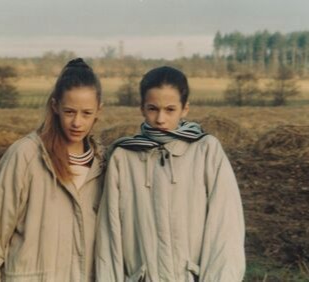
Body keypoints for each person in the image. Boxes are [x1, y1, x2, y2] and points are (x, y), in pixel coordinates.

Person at [0, 58, 105, 281]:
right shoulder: (25, 156)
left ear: (98, 111)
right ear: (55, 106)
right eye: (69, 112)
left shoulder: (103, 165)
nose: (77, 122)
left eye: (86, 113)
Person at [96, 66, 245, 281]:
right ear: (142, 108)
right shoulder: (123, 157)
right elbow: (109, 235)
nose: (160, 119)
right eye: (153, 108)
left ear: (185, 108)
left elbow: (226, 227)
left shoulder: (206, 151)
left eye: (170, 109)